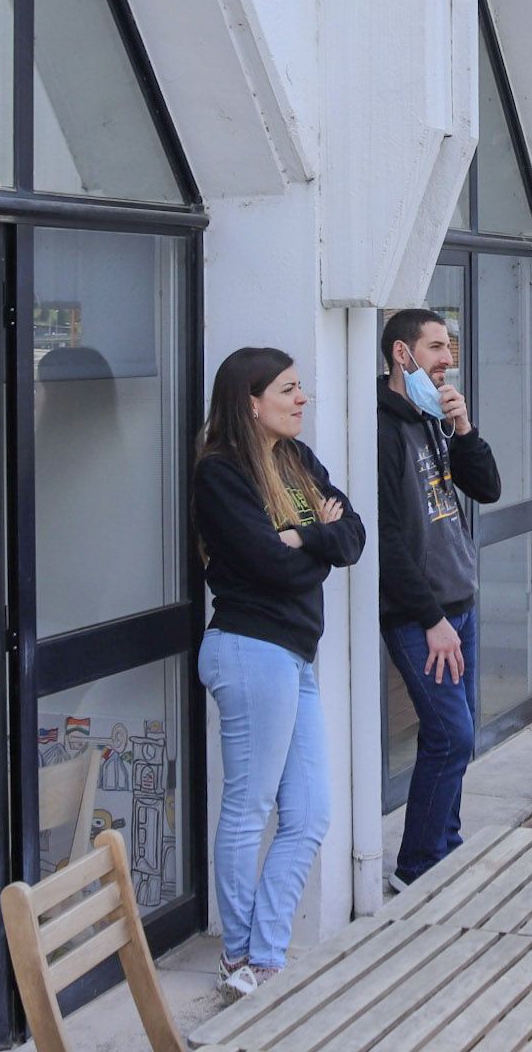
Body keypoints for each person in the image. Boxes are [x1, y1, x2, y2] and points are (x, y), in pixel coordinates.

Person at [192, 347, 366, 999]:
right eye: (290, 390)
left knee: (311, 812)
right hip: (247, 647)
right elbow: (271, 567)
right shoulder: (221, 473)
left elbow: (353, 534)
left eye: (302, 389)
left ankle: (262, 953)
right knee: (249, 808)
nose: (303, 399)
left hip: (291, 652)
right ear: (250, 400)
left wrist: (305, 539)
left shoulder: (294, 461)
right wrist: (308, 543)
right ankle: (242, 957)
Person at [376, 307, 502, 887]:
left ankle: (444, 846)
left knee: (457, 738)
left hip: (459, 603)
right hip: (421, 615)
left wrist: (464, 430)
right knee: (452, 734)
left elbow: (487, 489)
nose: (447, 360)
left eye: (448, 348)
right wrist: (429, 618)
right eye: (434, 349)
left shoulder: (433, 418)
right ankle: (419, 867)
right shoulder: (382, 427)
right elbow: (388, 539)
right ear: (403, 355)